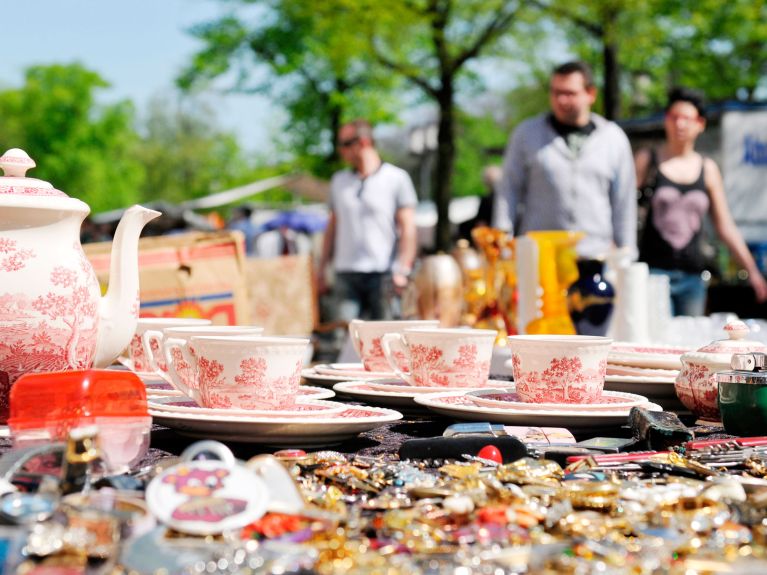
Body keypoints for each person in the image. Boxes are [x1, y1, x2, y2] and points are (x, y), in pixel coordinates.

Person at [635, 87, 767, 316]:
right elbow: (624, 210)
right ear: (666, 120)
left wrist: (752, 271)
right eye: (674, 117)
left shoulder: (707, 169)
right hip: (652, 273)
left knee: (689, 343)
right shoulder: (648, 160)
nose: (680, 124)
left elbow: (724, 225)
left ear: (700, 124)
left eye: (687, 118)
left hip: (692, 276)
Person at [493, 61, 637, 260]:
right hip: (541, 257)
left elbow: (624, 201)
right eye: (556, 92)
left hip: (594, 257)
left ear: (590, 94)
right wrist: (502, 245)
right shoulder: (527, 134)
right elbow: (508, 191)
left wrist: (626, 254)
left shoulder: (613, 138)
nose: (561, 100)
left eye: (569, 93)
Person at [318, 119, 418, 320]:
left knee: (385, 340)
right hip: (345, 272)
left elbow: (408, 228)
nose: (341, 151)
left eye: (345, 144)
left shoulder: (396, 178)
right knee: (344, 337)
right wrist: (321, 269)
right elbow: (332, 227)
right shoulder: (339, 181)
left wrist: (403, 269)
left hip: (384, 273)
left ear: (363, 142)